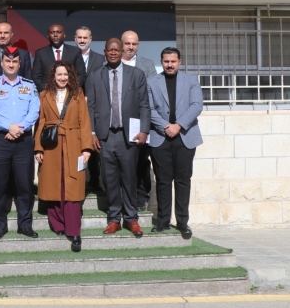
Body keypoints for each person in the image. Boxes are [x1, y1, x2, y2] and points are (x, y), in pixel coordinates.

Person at [86, 38, 150, 238]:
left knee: (130, 177)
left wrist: (144, 130)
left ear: (122, 52)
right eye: (109, 50)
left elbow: (144, 104)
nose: (113, 53)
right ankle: (114, 219)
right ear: (105, 52)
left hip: (128, 135)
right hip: (105, 136)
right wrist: (92, 133)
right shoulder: (95, 76)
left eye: (116, 50)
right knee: (109, 178)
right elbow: (90, 107)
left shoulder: (136, 74)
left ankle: (131, 218)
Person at [34, 61, 93, 252]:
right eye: (59, 74)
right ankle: (58, 223)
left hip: (73, 143)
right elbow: (41, 122)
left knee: (73, 187)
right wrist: (38, 148)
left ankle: (74, 231)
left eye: (65, 74)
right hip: (50, 145)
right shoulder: (44, 95)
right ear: (53, 76)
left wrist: (86, 148)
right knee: (53, 184)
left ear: (70, 76)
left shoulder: (78, 94)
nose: (62, 78)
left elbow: (84, 122)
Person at [0, 46, 40, 239]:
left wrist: (19, 129)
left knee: (24, 186)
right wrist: (9, 128)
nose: (11, 64)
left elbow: (34, 110)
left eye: (14, 61)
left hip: (23, 140)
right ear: (1, 63)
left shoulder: (29, 85)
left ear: (19, 63)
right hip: (0, 140)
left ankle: (25, 225)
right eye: (7, 61)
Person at [147, 48, 203, 239]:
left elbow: (196, 105)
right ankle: (163, 221)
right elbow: (149, 108)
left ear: (180, 61)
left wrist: (178, 125)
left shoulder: (191, 80)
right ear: (161, 62)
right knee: (163, 181)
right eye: (166, 61)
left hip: (185, 136)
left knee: (183, 180)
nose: (169, 65)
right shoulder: (152, 81)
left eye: (173, 61)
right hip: (160, 136)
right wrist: (166, 126)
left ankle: (182, 222)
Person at [122, 29, 158, 211]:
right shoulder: (109, 63)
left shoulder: (148, 65)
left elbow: (152, 92)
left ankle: (141, 197)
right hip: (117, 122)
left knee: (141, 160)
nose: (130, 47)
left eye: (134, 44)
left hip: (140, 120)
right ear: (122, 44)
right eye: (127, 43)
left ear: (138, 45)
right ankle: (122, 197)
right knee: (120, 161)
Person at [76, 26, 105, 192]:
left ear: (90, 39)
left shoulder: (100, 59)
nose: (82, 40)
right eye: (79, 37)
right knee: (77, 143)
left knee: (94, 142)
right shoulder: (70, 56)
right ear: (75, 38)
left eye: (85, 38)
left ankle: (95, 180)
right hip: (74, 107)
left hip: (94, 107)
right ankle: (79, 180)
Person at [32, 24, 87, 93]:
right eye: (52, 32)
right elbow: (36, 77)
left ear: (64, 35)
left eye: (58, 32)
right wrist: (47, 93)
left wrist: (70, 91)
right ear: (48, 36)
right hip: (47, 94)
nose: (55, 35)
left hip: (71, 94)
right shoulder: (40, 53)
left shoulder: (75, 52)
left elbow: (81, 75)